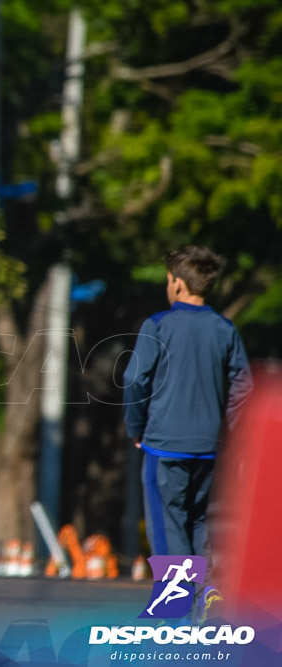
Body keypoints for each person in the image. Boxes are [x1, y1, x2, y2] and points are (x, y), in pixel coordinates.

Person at [122, 247, 252, 584]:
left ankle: (175, 610)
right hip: (209, 444)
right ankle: (206, 594)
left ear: (178, 284)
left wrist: (135, 427)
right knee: (198, 520)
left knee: (167, 524)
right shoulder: (225, 328)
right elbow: (243, 384)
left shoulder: (158, 325)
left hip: (165, 443)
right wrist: (227, 429)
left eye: (168, 280)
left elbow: (134, 378)